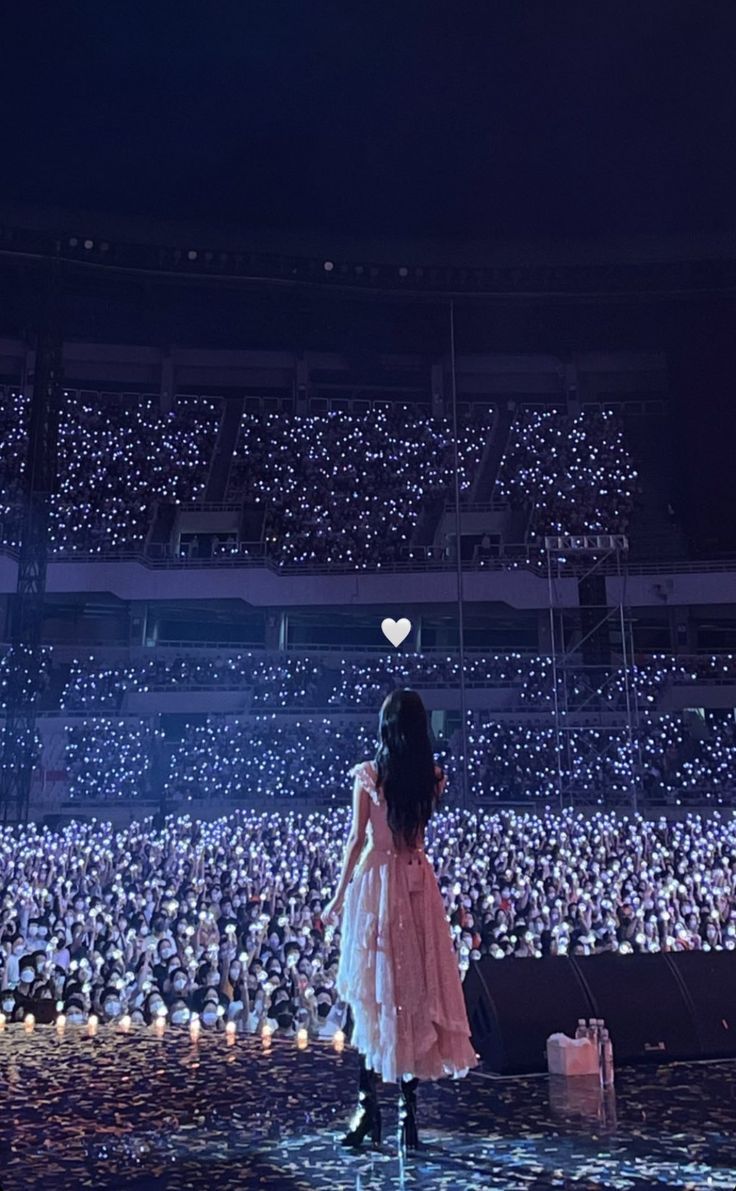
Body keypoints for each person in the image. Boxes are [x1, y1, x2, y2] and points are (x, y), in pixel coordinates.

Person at [323, 688, 478, 1155]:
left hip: (379, 887)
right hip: (417, 883)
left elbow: (356, 841)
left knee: (374, 997)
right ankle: (409, 1113)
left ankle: (367, 1107)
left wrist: (336, 896)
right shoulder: (432, 777)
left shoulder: (370, 775)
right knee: (412, 994)